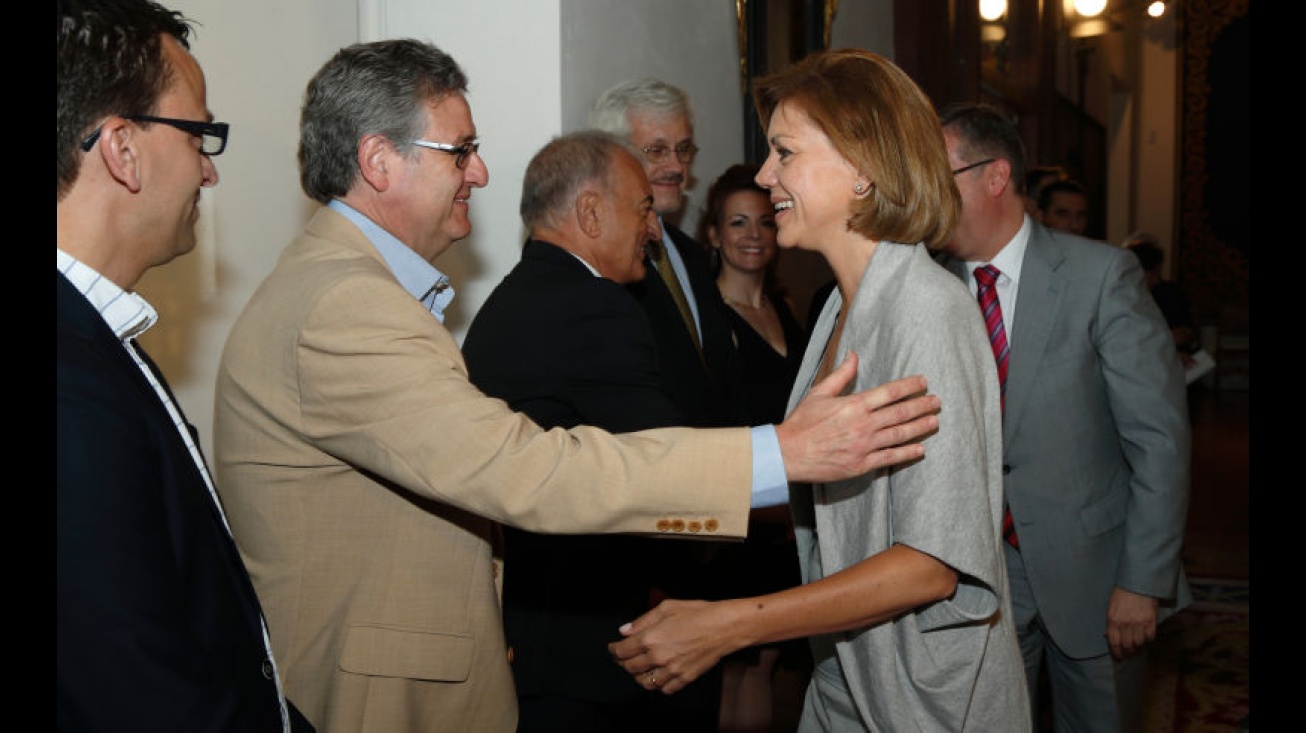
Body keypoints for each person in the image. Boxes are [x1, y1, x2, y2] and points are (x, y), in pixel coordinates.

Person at [212, 38, 943, 733]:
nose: (481, 173)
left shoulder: (355, 290)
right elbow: (527, 468)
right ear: (379, 160)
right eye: (460, 150)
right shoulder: (345, 303)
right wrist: (777, 455)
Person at [610, 49, 1029, 732]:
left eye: (784, 153)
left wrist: (727, 624)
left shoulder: (926, 308)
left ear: (863, 168)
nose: (766, 175)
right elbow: (823, 491)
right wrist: (654, 501)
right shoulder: (839, 305)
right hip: (848, 682)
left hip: (927, 703)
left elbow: (931, 565)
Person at [56, 1, 311, 730]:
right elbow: (137, 687)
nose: (208, 171)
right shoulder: (69, 380)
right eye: (199, 135)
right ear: (121, 149)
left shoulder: (99, 336)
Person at [937, 101, 1191, 733]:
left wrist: (1142, 581)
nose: (923, 193)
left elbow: (1158, 440)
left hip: (1096, 575)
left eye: (938, 176)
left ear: (995, 176)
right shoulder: (931, 288)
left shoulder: (1100, 276)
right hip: (979, 576)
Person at [461, 130, 721, 732]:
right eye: (644, 209)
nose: (654, 231)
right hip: (585, 655)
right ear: (590, 212)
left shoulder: (511, 300)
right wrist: (795, 473)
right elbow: (667, 465)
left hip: (538, 639)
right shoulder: (592, 305)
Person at [589, 77, 750, 725]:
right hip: (638, 570)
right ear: (609, 153)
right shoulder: (594, 261)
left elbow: (712, 389)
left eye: (683, 149)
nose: (676, 167)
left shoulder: (686, 251)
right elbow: (608, 423)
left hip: (709, 553)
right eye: (655, 150)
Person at [696, 162, 811, 733]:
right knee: (734, 664)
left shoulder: (787, 312)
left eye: (765, 222)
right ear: (713, 233)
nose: (752, 235)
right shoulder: (707, 321)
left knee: (766, 660)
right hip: (740, 515)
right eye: (737, 222)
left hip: (788, 519)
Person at [1125, 232, 1201, 368]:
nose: (1157, 280)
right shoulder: (1118, 301)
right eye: (1154, 274)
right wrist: (1167, 339)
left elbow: (1188, 330)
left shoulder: (1169, 293)